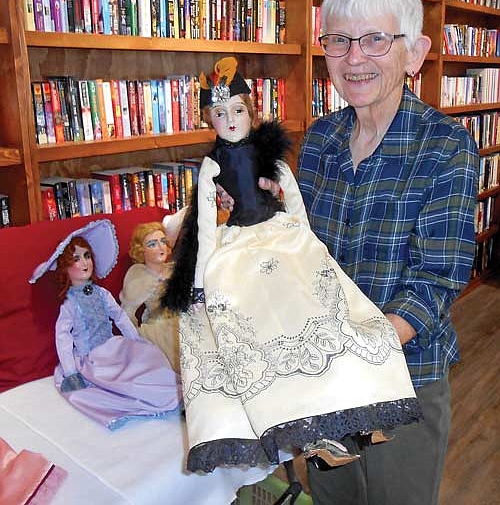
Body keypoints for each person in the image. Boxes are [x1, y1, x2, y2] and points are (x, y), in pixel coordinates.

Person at [161, 56, 421, 475]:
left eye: (238, 111)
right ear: (209, 118)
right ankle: (306, 427)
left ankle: (368, 409)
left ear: (252, 111)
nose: (230, 120)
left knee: (335, 314)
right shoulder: (211, 166)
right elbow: (206, 225)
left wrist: (308, 244)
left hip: (283, 236)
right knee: (259, 328)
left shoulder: (269, 154)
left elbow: (294, 196)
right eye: (220, 113)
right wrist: (198, 280)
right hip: (240, 243)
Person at [297, 0, 479, 505]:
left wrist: (353, 349)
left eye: (376, 39)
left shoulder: (446, 146)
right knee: (332, 496)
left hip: (406, 379)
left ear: (415, 53)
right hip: (325, 374)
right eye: (339, 40)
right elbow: (300, 254)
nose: (355, 58)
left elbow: (436, 282)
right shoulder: (319, 139)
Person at [29, 219, 182, 429]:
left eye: (87, 256)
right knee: (119, 381)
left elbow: (119, 316)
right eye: (76, 258)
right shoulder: (70, 304)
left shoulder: (102, 294)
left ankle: (174, 392)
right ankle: (152, 399)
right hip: (92, 357)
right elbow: (62, 338)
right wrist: (70, 371)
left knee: (148, 357)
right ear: (65, 269)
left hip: (113, 346)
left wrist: (135, 340)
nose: (85, 263)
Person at [120, 222, 180, 372]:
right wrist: (135, 340)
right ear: (142, 251)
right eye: (152, 244)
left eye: (163, 241)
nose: (160, 247)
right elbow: (126, 314)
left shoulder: (175, 270)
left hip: (182, 324)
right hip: (158, 330)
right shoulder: (138, 276)